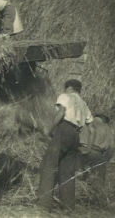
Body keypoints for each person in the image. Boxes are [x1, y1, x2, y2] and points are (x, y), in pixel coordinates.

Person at [37, 79, 95, 213]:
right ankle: (68, 207)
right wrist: (89, 148)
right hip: (75, 135)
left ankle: (44, 205)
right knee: (68, 172)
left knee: (48, 166)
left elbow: (61, 113)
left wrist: (49, 129)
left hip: (63, 130)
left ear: (69, 88)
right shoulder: (84, 104)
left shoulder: (65, 97)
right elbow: (92, 129)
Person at [78, 113, 114, 184]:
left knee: (78, 180)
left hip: (80, 151)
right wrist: (106, 160)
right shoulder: (107, 127)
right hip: (97, 154)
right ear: (104, 120)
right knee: (98, 183)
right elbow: (111, 147)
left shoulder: (84, 124)